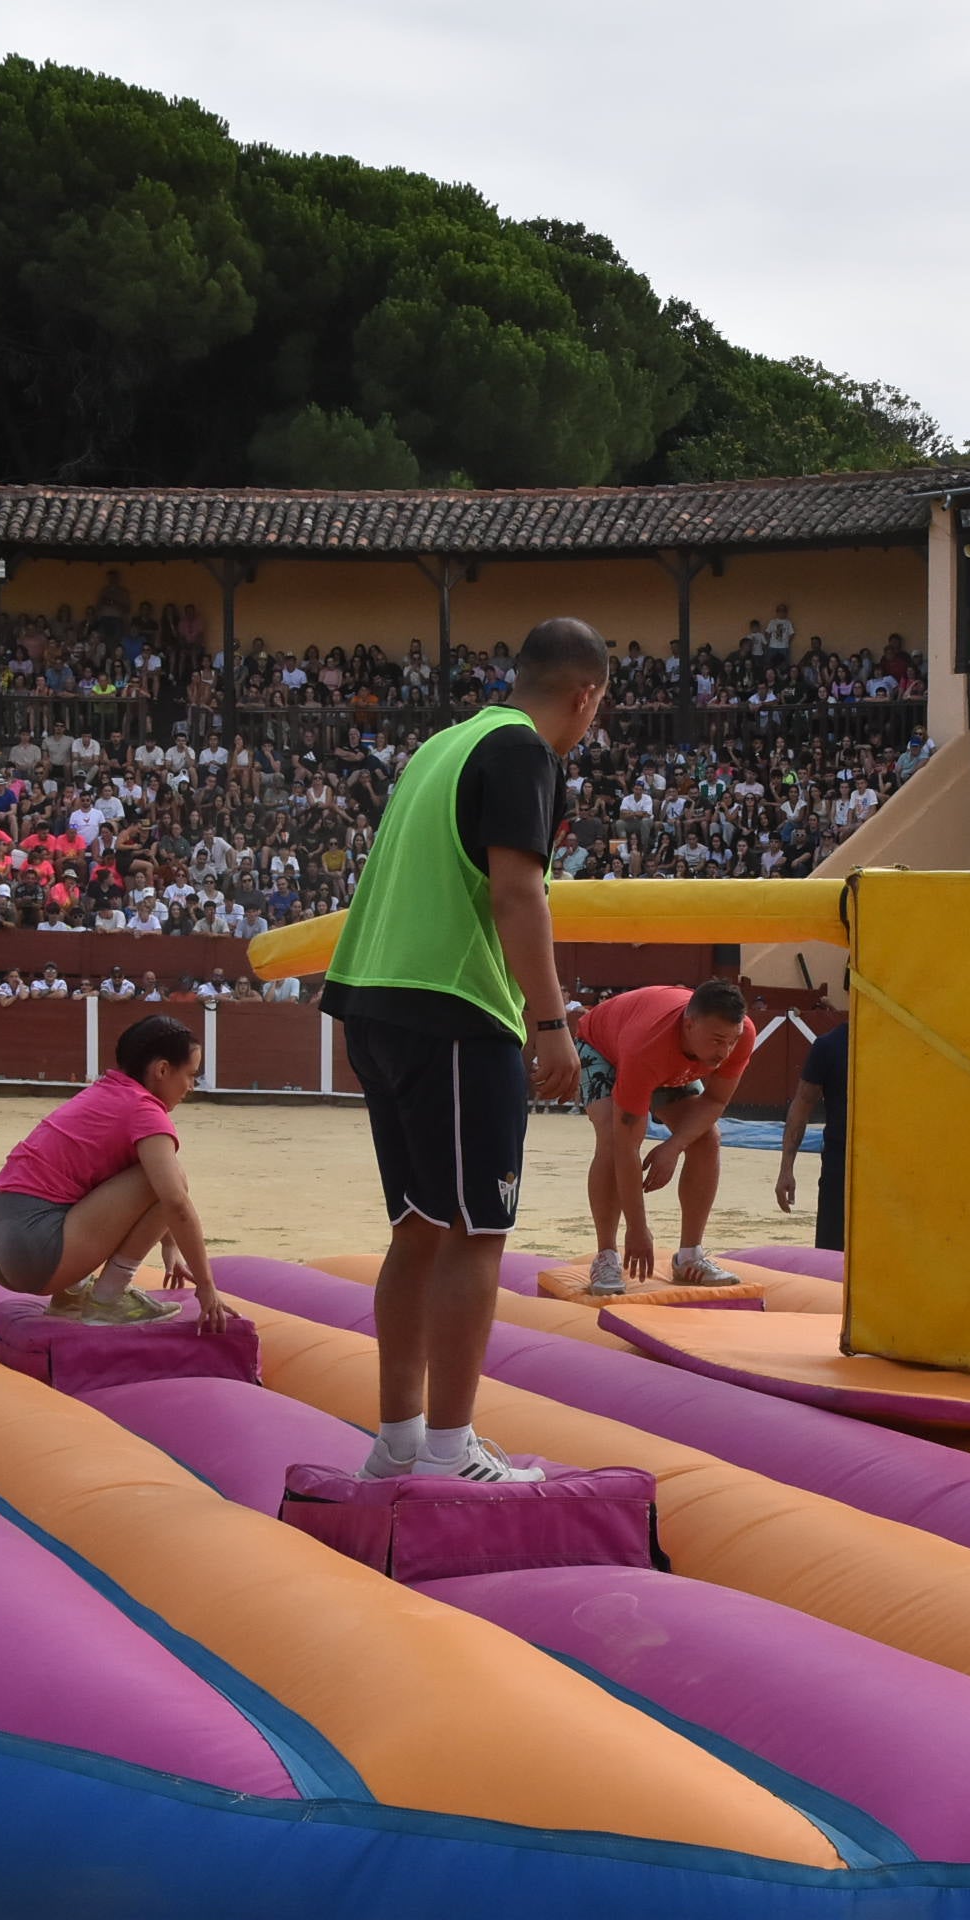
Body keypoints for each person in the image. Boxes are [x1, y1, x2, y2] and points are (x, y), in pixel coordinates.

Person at [321, 616, 604, 1484]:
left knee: (418, 1229)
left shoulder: (441, 745)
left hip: (373, 998)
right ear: (585, 698)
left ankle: (401, 1441)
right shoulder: (526, 752)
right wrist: (552, 1024)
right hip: (451, 1008)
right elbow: (519, 893)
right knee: (479, 1233)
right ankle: (448, 1449)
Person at [0, 1013, 226, 1331]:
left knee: (126, 1171)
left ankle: (71, 1293)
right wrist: (206, 1287)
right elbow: (174, 1201)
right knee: (173, 1176)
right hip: (36, 1255)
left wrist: (169, 1245)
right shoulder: (145, 1110)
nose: (191, 1086)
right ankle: (109, 1298)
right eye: (190, 1075)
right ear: (163, 1070)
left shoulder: (103, 1093)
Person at [575, 979, 755, 1295]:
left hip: (665, 1064)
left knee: (707, 1138)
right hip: (604, 1046)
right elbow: (626, 1145)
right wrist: (637, 1228)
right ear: (689, 1024)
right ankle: (606, 1254)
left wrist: (673, 1146)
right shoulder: (646, 1045)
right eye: (716, 1041)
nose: (724, 1053)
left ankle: (690, 1256)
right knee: (610, 1137)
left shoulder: (741, 1036)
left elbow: (715, 1101)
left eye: (731, 1041)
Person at [774, 1019, 848, 1253]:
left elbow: (803, 1104)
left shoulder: (831, 1044)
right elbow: (802, 1104)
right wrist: (786, 1169)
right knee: (833, 1251)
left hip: (875, 1163)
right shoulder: (830, 1045)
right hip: (841, 1164)